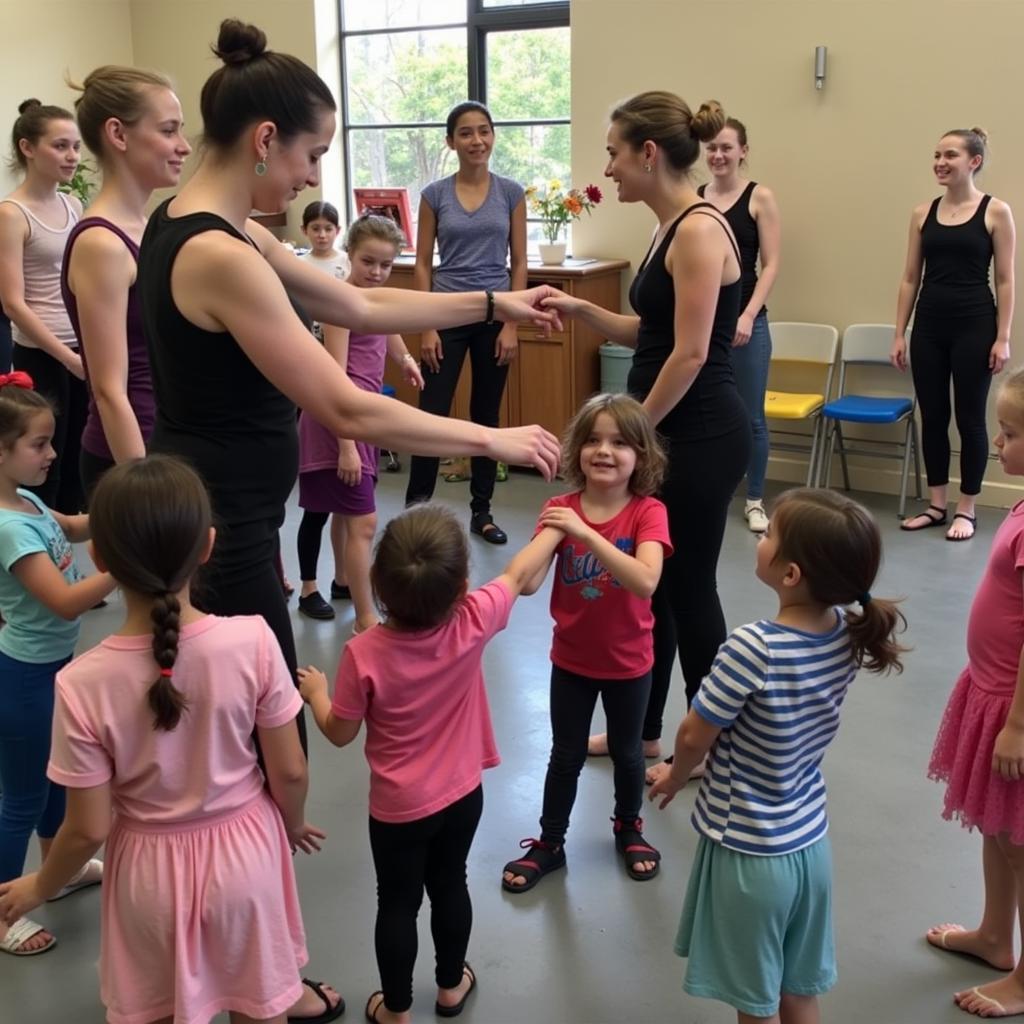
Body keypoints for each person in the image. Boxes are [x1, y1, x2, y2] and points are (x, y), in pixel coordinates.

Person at [135, 20, 561, 758]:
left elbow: (359, 306)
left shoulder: (219, 226)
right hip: (225, 532)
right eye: (313, 154)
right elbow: (344, 405)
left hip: (234, 517)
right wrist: (492, 437)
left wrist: (494, 302)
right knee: (271, 739)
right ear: (265, 138)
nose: (311, 176)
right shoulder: (217, 251)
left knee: (254, 727)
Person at [0, 455, 335, 1024]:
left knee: (151, 1007)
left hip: (146, 878)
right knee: (259, 1003)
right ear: (207, 546)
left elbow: (85, 828)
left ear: (100, 558)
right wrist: (294, 822)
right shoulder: (253, 639)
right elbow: (292, 771)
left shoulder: (79, 683)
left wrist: (39, 885)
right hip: (246, 859)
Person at [541, 92, 752, 768]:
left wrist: (633, 436)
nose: (609, 167)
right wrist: (581, 310)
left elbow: (692, 355)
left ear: (649, 154)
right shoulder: (669, 227)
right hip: (666, 431)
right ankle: (647, 734)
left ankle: (709, 746)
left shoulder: (697, 229)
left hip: (699, 434)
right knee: (654, 591)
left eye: (613, 152)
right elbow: (654, 333)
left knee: (688, 592)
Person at [649, 488, 906, 1024]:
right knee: (796, 989)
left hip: (749, 851)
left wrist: (675, 775)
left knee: (755, 1001)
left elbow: (696, 733)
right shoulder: (844, 632)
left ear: (790, 575)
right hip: (808, 843)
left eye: (769, 536)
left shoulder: (753, 647)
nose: (760, 539)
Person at [297, 504, 562, 1024]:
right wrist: (556, 525)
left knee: (396, 903)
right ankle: (448, 987)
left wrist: (317, 693)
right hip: (463, 796)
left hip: (397, 810)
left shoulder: (364, 654)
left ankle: (395, 1010)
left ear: (377, 583)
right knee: (450, 885)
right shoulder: (474, 617)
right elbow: (517, 572)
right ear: (462, 585)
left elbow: (340, 732)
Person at [501, 393, 672, 892]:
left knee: (628, 752)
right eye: (594, 440)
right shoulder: (560, 508)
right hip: (571, 660)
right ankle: (550, 842)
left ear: (641, 454)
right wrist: (539, 551)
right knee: (565, 754)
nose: (604, 450)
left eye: (620, 442)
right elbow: (528, 581)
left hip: (630, 663)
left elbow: (645, 581)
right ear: (577, 449)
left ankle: (628, 826)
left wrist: (584, 532)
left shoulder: (648, 512)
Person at [0, 373, 114, 956]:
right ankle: (2, 908)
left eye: (50, 442)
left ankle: (55, 870)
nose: (51, 454)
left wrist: (120, 511)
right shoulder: (9, 529)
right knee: (19, 796)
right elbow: (69, 599)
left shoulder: (29, 501)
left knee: (53, 778)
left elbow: (71, 526)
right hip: (24, 677)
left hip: (53, 666)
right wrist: (130, 560)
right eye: (38, 444)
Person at [926, 367, 1024, 1018]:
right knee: (998, 829)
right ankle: (995, 936)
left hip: (1017, 705)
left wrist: (1018, 725)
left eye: (1010, 432)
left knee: (1022, 842)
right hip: (991, 691)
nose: (999, 440)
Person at [60, 66, 192, 500]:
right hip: (131, 456)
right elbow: (108, 389)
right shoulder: (103, 244)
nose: (183, 147)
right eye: (169, 130)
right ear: (118, 134)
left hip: (170, 440)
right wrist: (148, 491)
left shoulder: (153, 224)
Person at [404, 100, 528, 546]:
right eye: (466, 133)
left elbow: (519, 263)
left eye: (484, 131)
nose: (477, 140)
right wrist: (426, 323)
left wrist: (512, 322)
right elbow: (421, 264)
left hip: (495, 315)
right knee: (430, 416)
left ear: (493, 136)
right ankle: (415, 510)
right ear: (451, 141)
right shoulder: (434, 194)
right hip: (445, 313)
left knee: (485, 416)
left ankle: (482, 512)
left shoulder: (511, 192)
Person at [296, 214, 423, 627]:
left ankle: (344, 581)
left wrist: (404, 360)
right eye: (369, 262)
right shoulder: (339, 304)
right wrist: (347, 444)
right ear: (349, 254)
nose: (377, 272)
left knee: (343, 513)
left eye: (386, 265)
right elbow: (334, 379)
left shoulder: (373, 299)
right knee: (364, 521)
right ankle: (366, 616)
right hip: (340, 422)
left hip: (362, 419)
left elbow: (387, 329)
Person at [892, 127, 1015, 542]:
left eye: (950, 155)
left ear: (973, 161)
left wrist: (1003, 336)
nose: (940, 163)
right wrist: (899, 332)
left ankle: (967, 508)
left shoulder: (996, 211)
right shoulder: (922, 213)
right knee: (933, 417)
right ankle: (936, 504)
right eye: (936, 155)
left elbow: (1005, 279)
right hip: (929, 326)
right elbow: (910, 277)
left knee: (969, 418)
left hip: (975, 325)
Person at [0, 100, 87, 514]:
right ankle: (43, 554)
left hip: (82, 347)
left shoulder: (74, 205)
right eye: (60, 146)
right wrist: (68, 357)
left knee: (81, 456)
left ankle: (79, 539)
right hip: (42, 353)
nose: (72, 156)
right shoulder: (12, 214)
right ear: (28, 148)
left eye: (76, 146)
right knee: (45, 457)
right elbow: (13, 304)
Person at [698, 117, 781, 533]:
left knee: (751, 417)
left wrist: (747, 314)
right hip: (702, 326)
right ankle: (709, 487)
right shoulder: (695, 198)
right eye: (711, 148)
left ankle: (753, 499)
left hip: (747, 327)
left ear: (743, 151)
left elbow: (772, 265)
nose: (718, 155)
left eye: (726, 148)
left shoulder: (758, 197)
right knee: (702, 412)